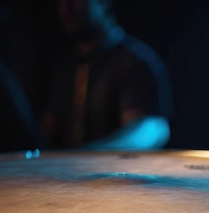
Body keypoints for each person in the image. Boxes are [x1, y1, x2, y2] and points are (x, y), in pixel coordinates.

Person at [41, 0, 173, 150]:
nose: (66, 8)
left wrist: (85, 159)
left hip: (115, 172)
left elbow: (150, 131)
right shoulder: (66, 67)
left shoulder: (135, 62)